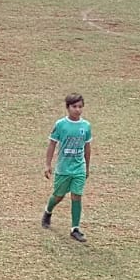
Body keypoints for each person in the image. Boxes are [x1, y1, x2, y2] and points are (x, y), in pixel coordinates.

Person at [42, 93, 93, 244]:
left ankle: (75, 229)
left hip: (79, 168)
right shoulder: (60, 125)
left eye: (80, 107)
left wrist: (87, 167)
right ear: (68, 108)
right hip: (64, 168)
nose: (77, 110)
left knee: (77, 196)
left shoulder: (86, 126)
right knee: (58, 196)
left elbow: (87, 147)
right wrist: (47, 164)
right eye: (74, 107)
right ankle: (48, 211)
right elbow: (52, 144)